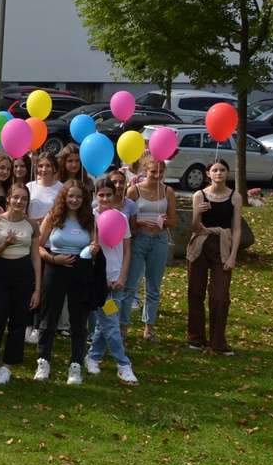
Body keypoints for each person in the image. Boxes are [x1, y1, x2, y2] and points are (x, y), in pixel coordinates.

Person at [35, 182, 100, 384]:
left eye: (78, 197)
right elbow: (38, 248)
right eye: (70, 196)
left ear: (84, 200)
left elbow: (94, 245)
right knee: (49, 318)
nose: (74, 200)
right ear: (64, 197)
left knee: (79, 320)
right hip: (55, 268)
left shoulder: (89, 220)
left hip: (80, 270)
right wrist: (54, 259)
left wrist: (94, 250)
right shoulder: (52, 218)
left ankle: (75, 366)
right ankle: (43, 362)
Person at [0, 183, 40, 385]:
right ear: (8, 199)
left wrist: (37, 288)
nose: (19, 202)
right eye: (16, 197)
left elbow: (36, 258)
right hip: (0, 274)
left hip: (23, 275)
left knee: (18, 323)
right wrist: (5, 244)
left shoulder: (32, 225)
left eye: (23, 198)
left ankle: (7, 366)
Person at [87, 176, 138, 383]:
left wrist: (122, 276)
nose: (105, 198)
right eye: (101, 195)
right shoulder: (89, 218)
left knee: (107, 322)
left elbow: (127, 251)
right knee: (110, 323)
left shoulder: (121, 217)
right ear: (95, 196)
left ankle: (92, 356)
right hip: (99, 278)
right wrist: (103, 277)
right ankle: (123, 364)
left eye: (109, 194)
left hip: (117, 279)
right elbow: (91, 249)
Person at [187, 160, 241, 355]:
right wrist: (197, 214)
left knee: (220, 297)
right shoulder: (199, 195)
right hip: (200, 244)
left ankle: (218, 341)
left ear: (227, 173)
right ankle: (196, 338)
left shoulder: (235, 197)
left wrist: (233, 256)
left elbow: (236, 227)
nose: (218, 173)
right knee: (196, 291)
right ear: (208, 173)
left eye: (222, 170)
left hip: (223, 246)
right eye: (215, 170)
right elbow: (194, 228)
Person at [128, 155, 177, 342]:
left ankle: (149, 327)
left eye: (161, 172)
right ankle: (123, 326)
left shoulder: (168, 191)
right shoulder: (134, 191)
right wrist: (140, 223)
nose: (157, 175)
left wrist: (165, 221)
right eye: (153, 172)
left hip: (160, 239)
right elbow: (125, 218)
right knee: (131, 284)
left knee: (153, 286)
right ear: (144, 172)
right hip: (139, 239)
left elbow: (173, 220)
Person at [27, 153, 62, 223]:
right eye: (40, 166)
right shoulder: (29, 186)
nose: (44, 169)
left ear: (54, 168)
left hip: (51, 228)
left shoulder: (62, 188)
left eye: (48, 166)